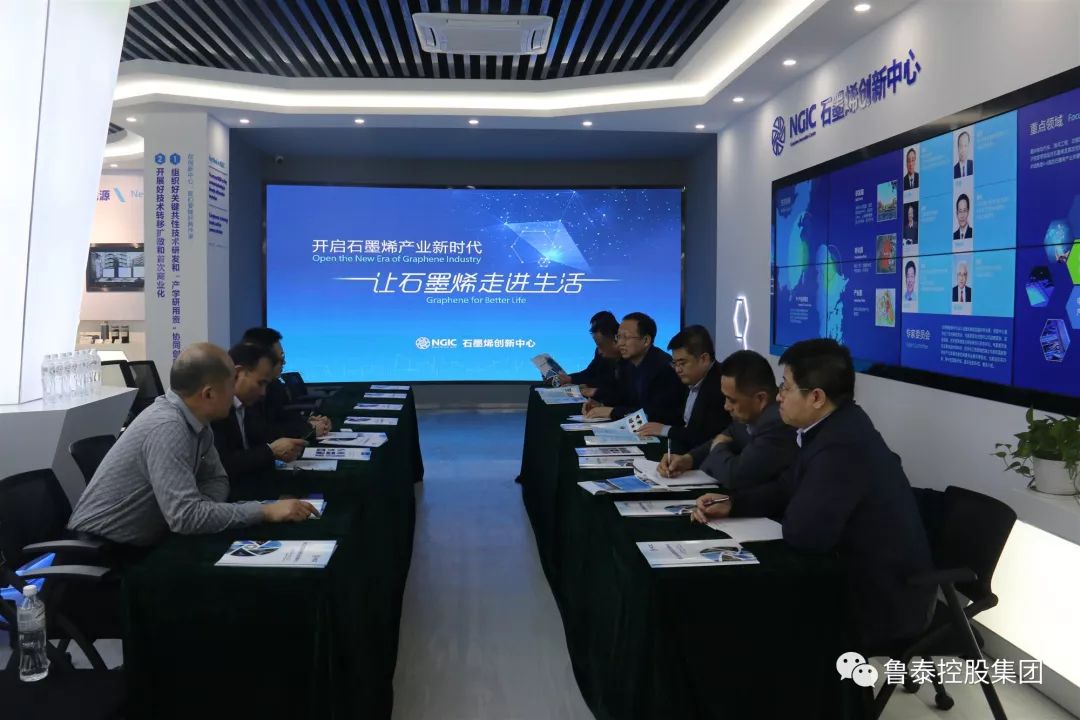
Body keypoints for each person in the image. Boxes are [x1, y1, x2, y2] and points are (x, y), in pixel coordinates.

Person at [688, 339, 934, 648]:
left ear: (816, 397)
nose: (779, 396)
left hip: (878, 600)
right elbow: (787, 486)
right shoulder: (833, 426)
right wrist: (733, 504)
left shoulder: (841, 446)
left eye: (786, 387)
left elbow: (803, 533)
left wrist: (789, 506)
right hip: (849, 576)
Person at [67, 343, 317, 547]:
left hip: (150, 542)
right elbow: (186, 518)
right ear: (208, 394)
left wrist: (204, 510)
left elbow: (217, 479)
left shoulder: (198, 422)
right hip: (102, 555)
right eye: (231, 386)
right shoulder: (168, 427)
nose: (235, 394)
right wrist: (265, 512)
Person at [660, 349, 795, 492]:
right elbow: (728, 434)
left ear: (760, 398)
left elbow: (734, 476)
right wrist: (688, 459)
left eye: (732, 400)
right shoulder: (749, 413)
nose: (726, 406)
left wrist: (719, 447)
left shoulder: (778, 423)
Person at [212, 342, 309, 479]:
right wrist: (271, 451)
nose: (263, 392)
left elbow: (265, 434)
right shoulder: (215, 409)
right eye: (260, 383)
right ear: (238, 373)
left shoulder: (248, 404)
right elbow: (222, 465)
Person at [635, 325, 731, 453]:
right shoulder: (691, 378)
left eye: (682, 363)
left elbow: (704, 436)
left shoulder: (720, 386)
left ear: (704, 359)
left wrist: (665, 430)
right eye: (675, 363)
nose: (677, 369)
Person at [583, 312, 686, 425]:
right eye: (618, 337)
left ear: (646, 340)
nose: (620, 343)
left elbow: (654, 414)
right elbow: (625, 398)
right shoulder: (630, 365)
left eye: (626, 337)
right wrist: (601, 405)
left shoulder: (663, 368)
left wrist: (611, 412)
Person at [240, 327, 330, 439]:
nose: (284, 362)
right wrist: (309, 429)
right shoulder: (249, 392)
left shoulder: (275, 385)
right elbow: (262, 433)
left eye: (283, 356)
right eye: (280, 358)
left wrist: (307, 421)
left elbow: (283, 417)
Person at [554, 311, 620, 397]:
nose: (593, 336)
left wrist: (585, 386)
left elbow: (614, 384)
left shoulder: (624, 352)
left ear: (605, 331)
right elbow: (590, 372)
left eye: (593, 331)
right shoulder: (600, 350)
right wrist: (569, 378)